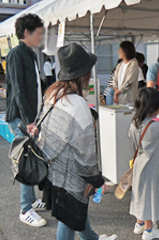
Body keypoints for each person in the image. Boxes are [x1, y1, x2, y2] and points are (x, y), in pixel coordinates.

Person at [37, 43, 117, 240]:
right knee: (70, 218)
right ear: (83, 74)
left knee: (75, 215)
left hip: (52, 169)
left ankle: (92, 238)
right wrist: (96, 180)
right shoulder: (78, 104)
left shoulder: (52, 94)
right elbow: (87, 154)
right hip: (70, 176)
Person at [5, 13, 46, 227]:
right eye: (38, 33)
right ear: (27, 33)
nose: (41, 37)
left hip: (29, 117)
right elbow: (19, 90)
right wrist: (29, 120)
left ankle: (30, 199)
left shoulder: (29, 53)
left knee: (30, 157)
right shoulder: (15, 55)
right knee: (26, 160)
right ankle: (25, 208)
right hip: (21, 118)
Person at [129, 88, 159, 240]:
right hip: (152, 167)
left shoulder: (134, 124)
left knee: (139, 193)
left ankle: (139, 224)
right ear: (156, 106)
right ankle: (149, 230)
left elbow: (134, 144)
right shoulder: (158, 126)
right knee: (150, 196)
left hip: (139, 164)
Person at [113, 41, 139, 105]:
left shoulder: (133, 64)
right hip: (119, 98)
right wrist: (116, 90)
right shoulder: (120, 65)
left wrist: (118, 92)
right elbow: (115, 79)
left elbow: (129, 82)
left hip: (129, 100)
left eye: (120, 49)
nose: (118, 52)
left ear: (125, 51)